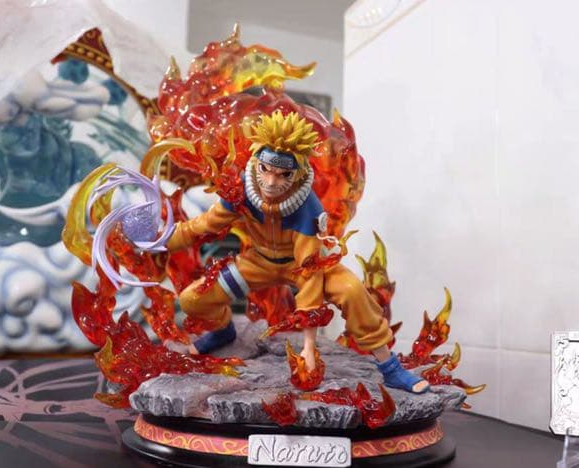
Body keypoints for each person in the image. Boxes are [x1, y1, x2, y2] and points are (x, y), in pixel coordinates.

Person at [165, 110, 428, 394]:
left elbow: (309, 271)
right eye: (265, 169)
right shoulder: (240, 189)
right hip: (258, 263)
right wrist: (164, 239)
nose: (271, 182)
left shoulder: (307, 207)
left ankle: (390, 367)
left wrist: (309, 347)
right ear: (256, 161)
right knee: (193, 299)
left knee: (352, 291)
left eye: (284, 175)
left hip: (308, 265)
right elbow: (205, 224)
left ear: (298, 173)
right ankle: (223, 332)